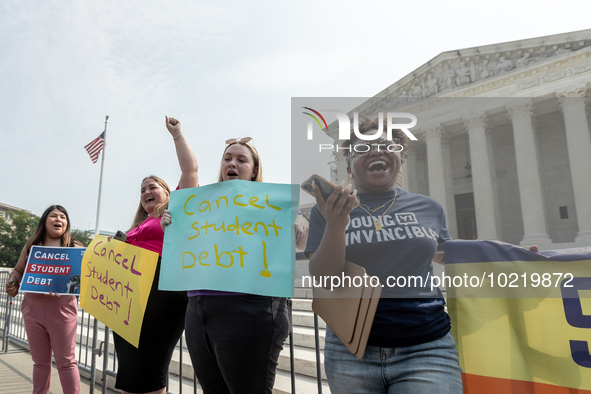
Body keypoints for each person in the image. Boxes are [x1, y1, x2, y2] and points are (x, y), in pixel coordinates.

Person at [305, 118, 464, 393]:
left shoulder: (428, 207)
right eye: (363, 148)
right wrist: (335, 224)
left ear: (400, 158)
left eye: (386, 145)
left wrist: (508, 254)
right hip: (350, 350)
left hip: (426, 347)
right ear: (348, 166)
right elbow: (326, 279)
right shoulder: (328, 210)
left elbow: (447, 254)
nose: (376, 151)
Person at [161, 134, 291, 394]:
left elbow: (300, 237)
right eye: (227, 158)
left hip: (248, 310)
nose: (232, 163)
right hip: (198, 308)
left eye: (242, 160)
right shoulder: (199, 206)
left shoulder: (272, 204)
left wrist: (297, 226)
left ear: (254, 171)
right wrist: (174, 227)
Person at [110, 116, 198, 394]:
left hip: (161, 293)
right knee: (129, 373)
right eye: (142, 190)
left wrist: (177, 135)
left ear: (168, 193)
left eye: (152, 187)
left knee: (149, 371)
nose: (146, 192)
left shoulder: (177, 210)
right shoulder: (136, 227)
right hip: (129, 298)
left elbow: (191, 171)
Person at [5, 205, 83, 394]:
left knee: (66, 361)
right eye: (54, 216)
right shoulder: (32, 245)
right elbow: (18, 270)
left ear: (67, 223)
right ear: (44, 221)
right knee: (40, 362)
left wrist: (64, 286)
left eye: (63, 217)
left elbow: (83, 277)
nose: (59, 219)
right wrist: (12, 281)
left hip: (63, 311)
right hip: (32, 309)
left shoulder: (74, 247)